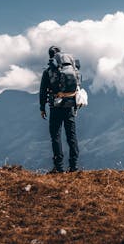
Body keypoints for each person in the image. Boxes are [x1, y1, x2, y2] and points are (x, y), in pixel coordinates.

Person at [39, 45, 80, 173]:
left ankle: (59, 167)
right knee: (71, 135)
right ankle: (73, 166)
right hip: (70, 106)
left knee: (56, 136)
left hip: (55, 107)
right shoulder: (72, 68)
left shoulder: (48, 72)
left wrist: (42, 107)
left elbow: (42, 91)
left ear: (50, 56)